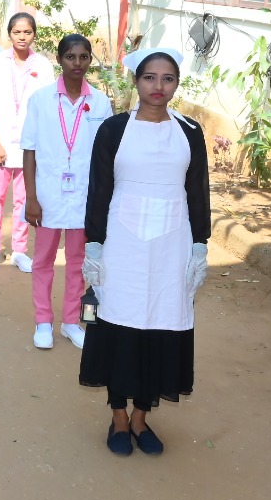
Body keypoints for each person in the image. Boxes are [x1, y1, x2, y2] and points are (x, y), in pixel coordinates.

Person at [78, 48, 209, 457]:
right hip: (122, 242)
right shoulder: (114, 130)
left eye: (167, 78)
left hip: (172, 243)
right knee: (121, 324)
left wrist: (199, 248)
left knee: (161, 326)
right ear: (136, 81)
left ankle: (141, 417)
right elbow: (99, 190)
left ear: (176, 84)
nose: (158, 86)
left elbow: (197, 193)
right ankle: (118, 415)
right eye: (149, 77)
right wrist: (94, 247)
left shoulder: (190, 132)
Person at [22, 34, 113, 350]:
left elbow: (107, 156)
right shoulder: (41, 99)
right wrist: (31, 197)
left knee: (79, 263)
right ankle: (43, 321)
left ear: (90, 60)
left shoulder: (100, 103)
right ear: (59, 60)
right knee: (43, 261)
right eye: (71, 57)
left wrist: (104, 201)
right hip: (47, 196)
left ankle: (72, 322)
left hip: (85, 199)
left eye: (84, 57)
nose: (77, 63)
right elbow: (30, 150)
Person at [0, 12, 54, 273]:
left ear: (34, 34)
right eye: (17, 32)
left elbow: (48, 108)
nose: (22, 37)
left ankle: (20, 250)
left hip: (30, 147)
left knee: (24, 199)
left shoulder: (43, 66)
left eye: (27, 32)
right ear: (9, 34)